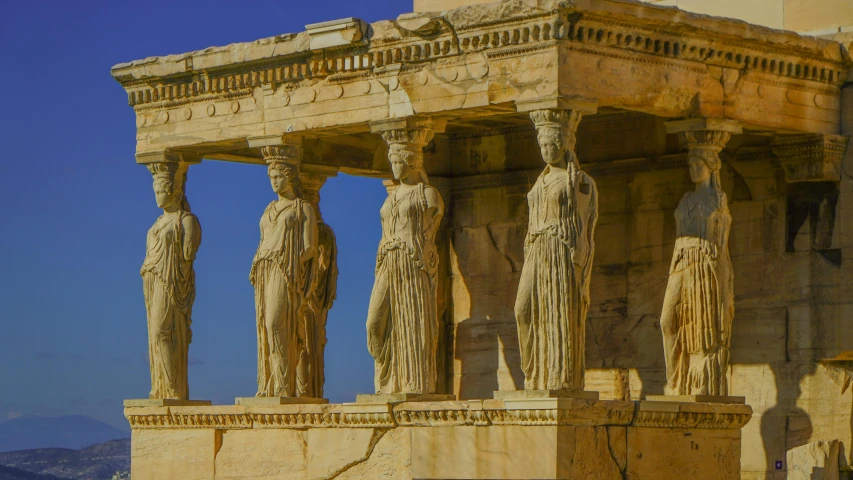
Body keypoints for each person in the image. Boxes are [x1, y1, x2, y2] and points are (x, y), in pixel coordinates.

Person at [141, 163, 201, 400]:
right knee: (155, 335)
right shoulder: (156, 224)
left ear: (173, 191)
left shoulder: (187, 221)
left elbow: (187, 256)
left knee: (162, 331)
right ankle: (162, 387)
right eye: (155, 192)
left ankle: (174, 387)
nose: (156, 197)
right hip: (153, 280)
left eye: (160, 191)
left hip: (172, 282)